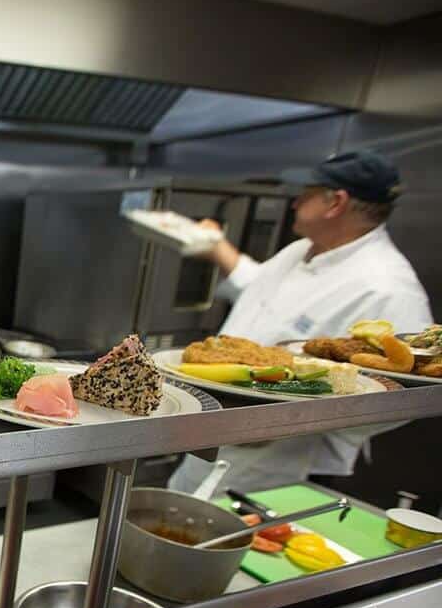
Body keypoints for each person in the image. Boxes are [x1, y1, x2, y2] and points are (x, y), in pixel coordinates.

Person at [169, 150, 433, 496]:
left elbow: (406, 399)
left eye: (305, 194)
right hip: (215, 433)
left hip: (280, 464)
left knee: (241, 527)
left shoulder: (388, 287)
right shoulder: (302, 250)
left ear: (336, 203)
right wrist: (217, 247)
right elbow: (261, 291)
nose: (295, 203)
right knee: (179, 510)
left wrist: (288, 426)